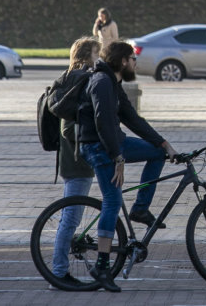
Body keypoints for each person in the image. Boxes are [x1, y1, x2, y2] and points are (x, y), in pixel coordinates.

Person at [76, 41, 177, 292]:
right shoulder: (102, 82)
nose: (135, 62)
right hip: (97, 147)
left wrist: (164, 144)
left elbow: (132, 119)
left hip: (112, 142)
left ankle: (140, 209)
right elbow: (103, 124)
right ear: (123, 61)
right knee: (112, 200)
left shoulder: (113, 82)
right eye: (133, 58)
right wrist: (117, 157)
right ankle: (101, 265)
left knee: (156, 153)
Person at [50, 36, 101, 288]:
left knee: (71, 217)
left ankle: (59, 270)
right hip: (77, 161)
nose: (98, 58)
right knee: (70, 218)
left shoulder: (74, 78)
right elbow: (68, 128)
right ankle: (58, 273)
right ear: (84, 57)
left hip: (77, 160)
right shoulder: (77, 80)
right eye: (95, 54)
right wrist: (95, 135)